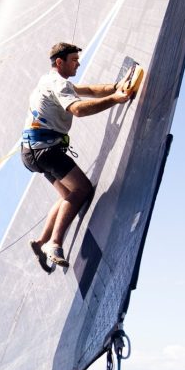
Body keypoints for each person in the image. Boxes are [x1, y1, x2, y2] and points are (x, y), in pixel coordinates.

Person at [22, 42, 131, 270]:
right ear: (59, 62)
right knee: (81, 189)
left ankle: (40, 242)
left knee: (67, 196)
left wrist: (115, 86)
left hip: (30, 153)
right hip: (45, 150)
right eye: (74, 60)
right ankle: (54, 243)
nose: (78, 63)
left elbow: (89, 90)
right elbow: (79, 109)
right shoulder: (59, 83)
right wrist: (116, 99)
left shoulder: (48, 80)